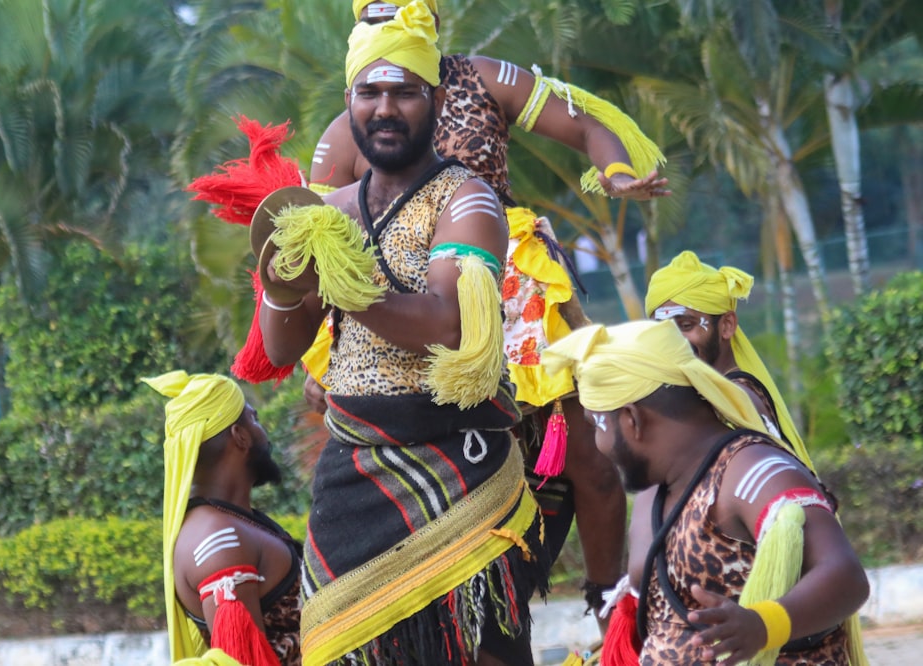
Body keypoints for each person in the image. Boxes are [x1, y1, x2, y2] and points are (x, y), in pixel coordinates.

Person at [301, 0, 670, 621]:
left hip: (513, 285)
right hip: (407, 310)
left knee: (592, 461)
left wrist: (614, 170)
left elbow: (582, 124)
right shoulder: (348, 129)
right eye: (374, 23)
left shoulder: (483, 78)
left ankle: (613, 607)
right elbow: (315, 250)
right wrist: (318, 354)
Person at [258, 4, 549, 664]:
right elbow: (281, 349)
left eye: (404, 92)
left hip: (458, 464)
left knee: (482, 648)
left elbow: (449, 322)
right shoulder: (327, 212)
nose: (385, 108)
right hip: (353, 469)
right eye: (371, 92)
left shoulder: (468, 202)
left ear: (437, 100)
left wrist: (345, 282)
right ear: (349, 100)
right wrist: (278, 281)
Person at [543, 320, 869, 666]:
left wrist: (762, 625)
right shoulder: (653, 495)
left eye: (597, 426)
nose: (598, 446)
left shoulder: (752, 471)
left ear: (631, 419)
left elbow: (845, 576)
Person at [143, 371, 301, 666]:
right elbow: (243, 660)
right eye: (254, 420)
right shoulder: (219, 539)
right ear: (239, 436)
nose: (264, 433)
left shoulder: (226, 521)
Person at [644, 250, 814, 470]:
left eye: (686, 326)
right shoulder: (702, 396)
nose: (674, 342)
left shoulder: (735, 400)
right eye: (662, 331)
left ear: (726, 325)